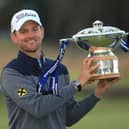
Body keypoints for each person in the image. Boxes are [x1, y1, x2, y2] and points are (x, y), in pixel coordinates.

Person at [1, 9, 118, 129]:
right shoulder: (12, 74)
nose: (31, 35)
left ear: (42, 32)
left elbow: (69, 117)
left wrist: (97, 93)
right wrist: (77, 84)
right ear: (14, 37)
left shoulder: (60, 70)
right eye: (24, 31)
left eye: (35, 29)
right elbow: (37, 108)